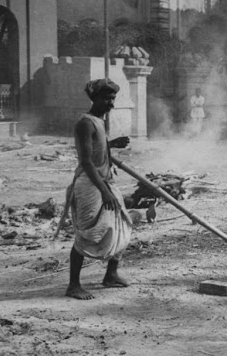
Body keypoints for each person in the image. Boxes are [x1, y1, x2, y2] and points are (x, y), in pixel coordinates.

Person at [65, 79, 132, 300]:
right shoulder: (85, 123)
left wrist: (111, 144)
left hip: (105, 182)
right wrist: (104, 191)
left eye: (112, 99)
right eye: (106, 98)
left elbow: (97, 149)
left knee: (123, 223)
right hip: (90, 184)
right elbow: (86, 161)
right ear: (94, 98)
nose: (110, 103)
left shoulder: (99, 122)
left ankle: (111, 275)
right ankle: (74, 285)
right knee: (87, 233)